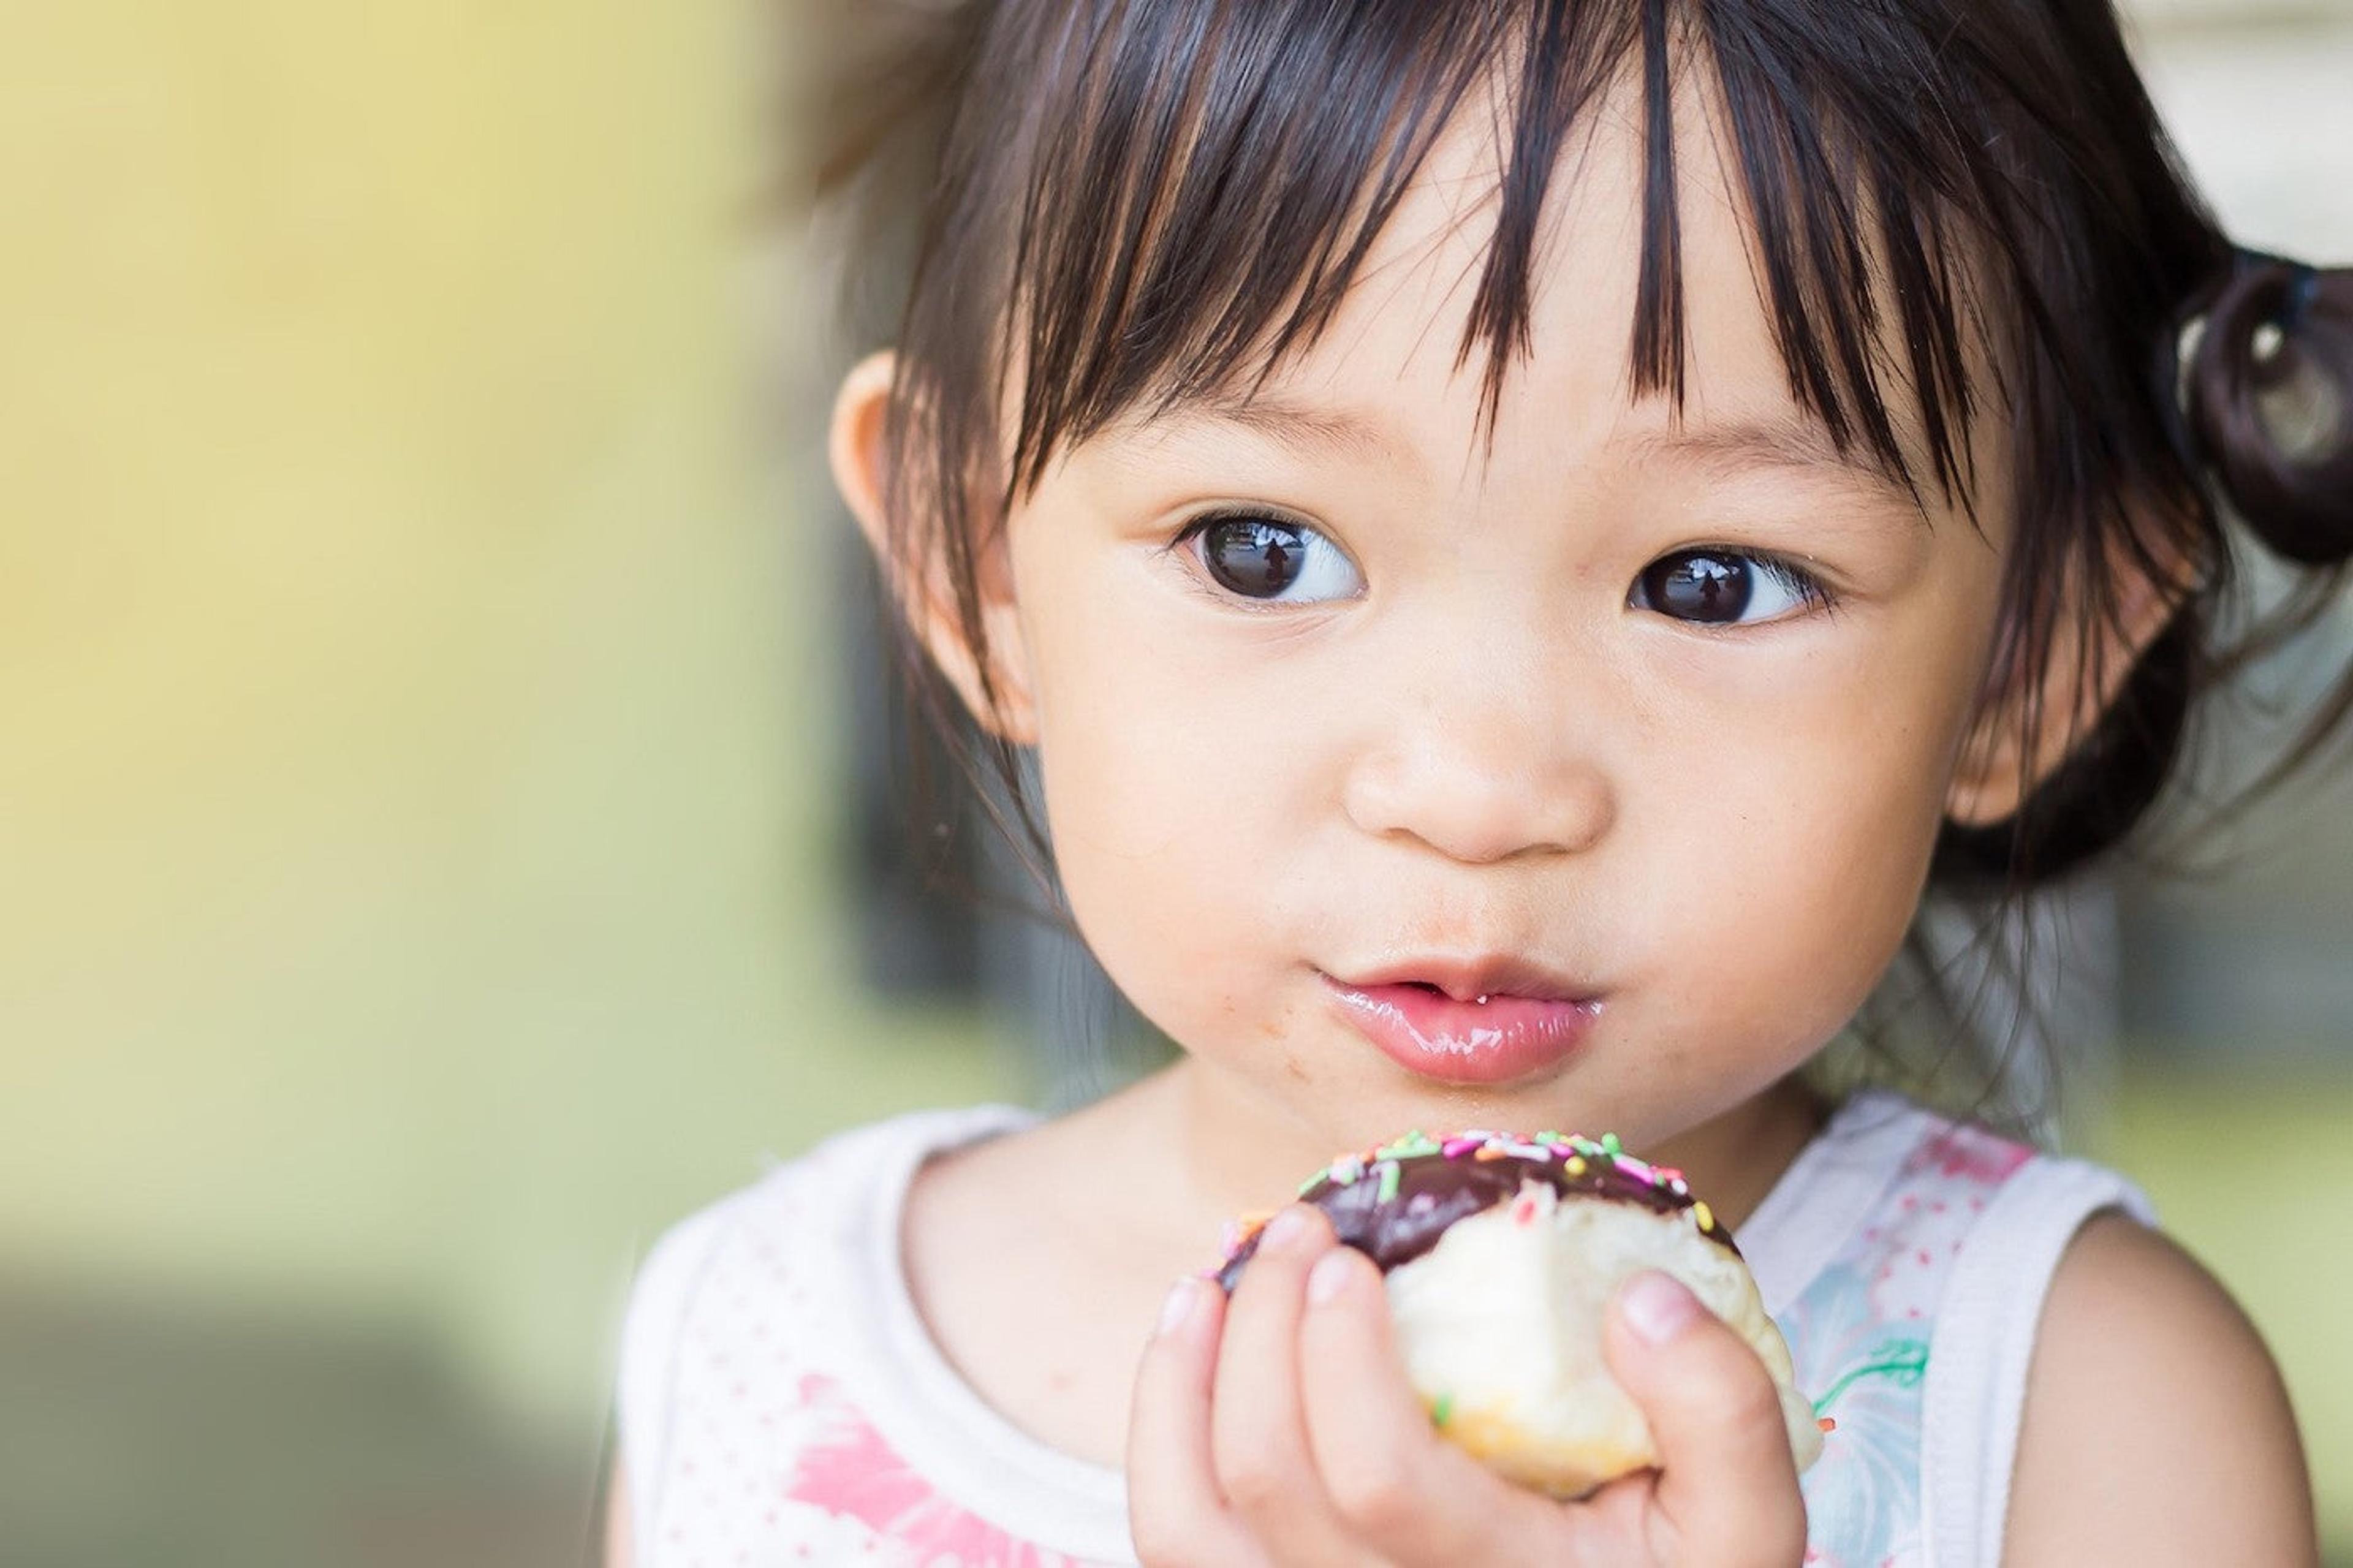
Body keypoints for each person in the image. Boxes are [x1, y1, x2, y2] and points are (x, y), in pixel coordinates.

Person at [607, 1, 2351, 1562]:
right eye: (1262, 549)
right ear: (972, 565)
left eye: (1712, 581)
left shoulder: (2078, 1420)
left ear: (2033, 655)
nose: (1475, 791)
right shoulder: (767, 1366)